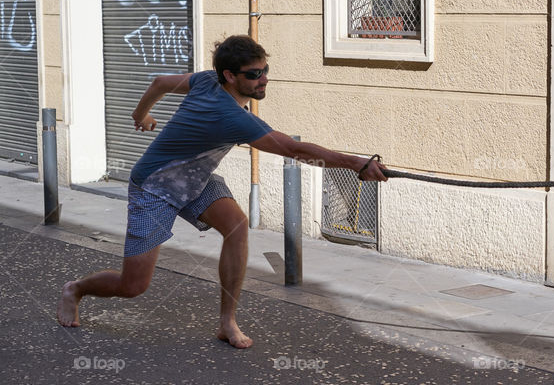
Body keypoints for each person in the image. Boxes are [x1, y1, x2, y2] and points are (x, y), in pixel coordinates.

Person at [57, 35, 387, 348]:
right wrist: (356, 163)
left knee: (236, 226)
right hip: (155, 186)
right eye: (254, 74)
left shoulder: (206, 80)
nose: (264, 79)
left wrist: (140, 116)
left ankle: (227, 321)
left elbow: (159, 83)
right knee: (133, 286)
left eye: (265, 70)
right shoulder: (231, 117)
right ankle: (76, 289)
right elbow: (294, 151)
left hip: (195, 178)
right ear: (229, 75)